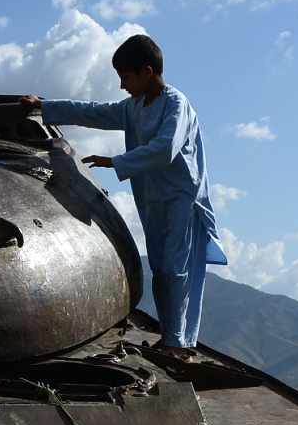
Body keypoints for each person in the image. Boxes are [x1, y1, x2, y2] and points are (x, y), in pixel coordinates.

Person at [23, 34, 226, 353]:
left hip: (181, 198)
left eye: (126, 77)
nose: (121, 85)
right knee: (160, 268)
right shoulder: (134, 107)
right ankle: (170, 337)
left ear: (147, 72)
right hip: (152, 198)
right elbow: (93, 112)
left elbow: (165, 148)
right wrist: (44, 107)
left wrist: (115, 161)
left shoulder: (176, 105)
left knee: (175, 268)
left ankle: (178, 342)